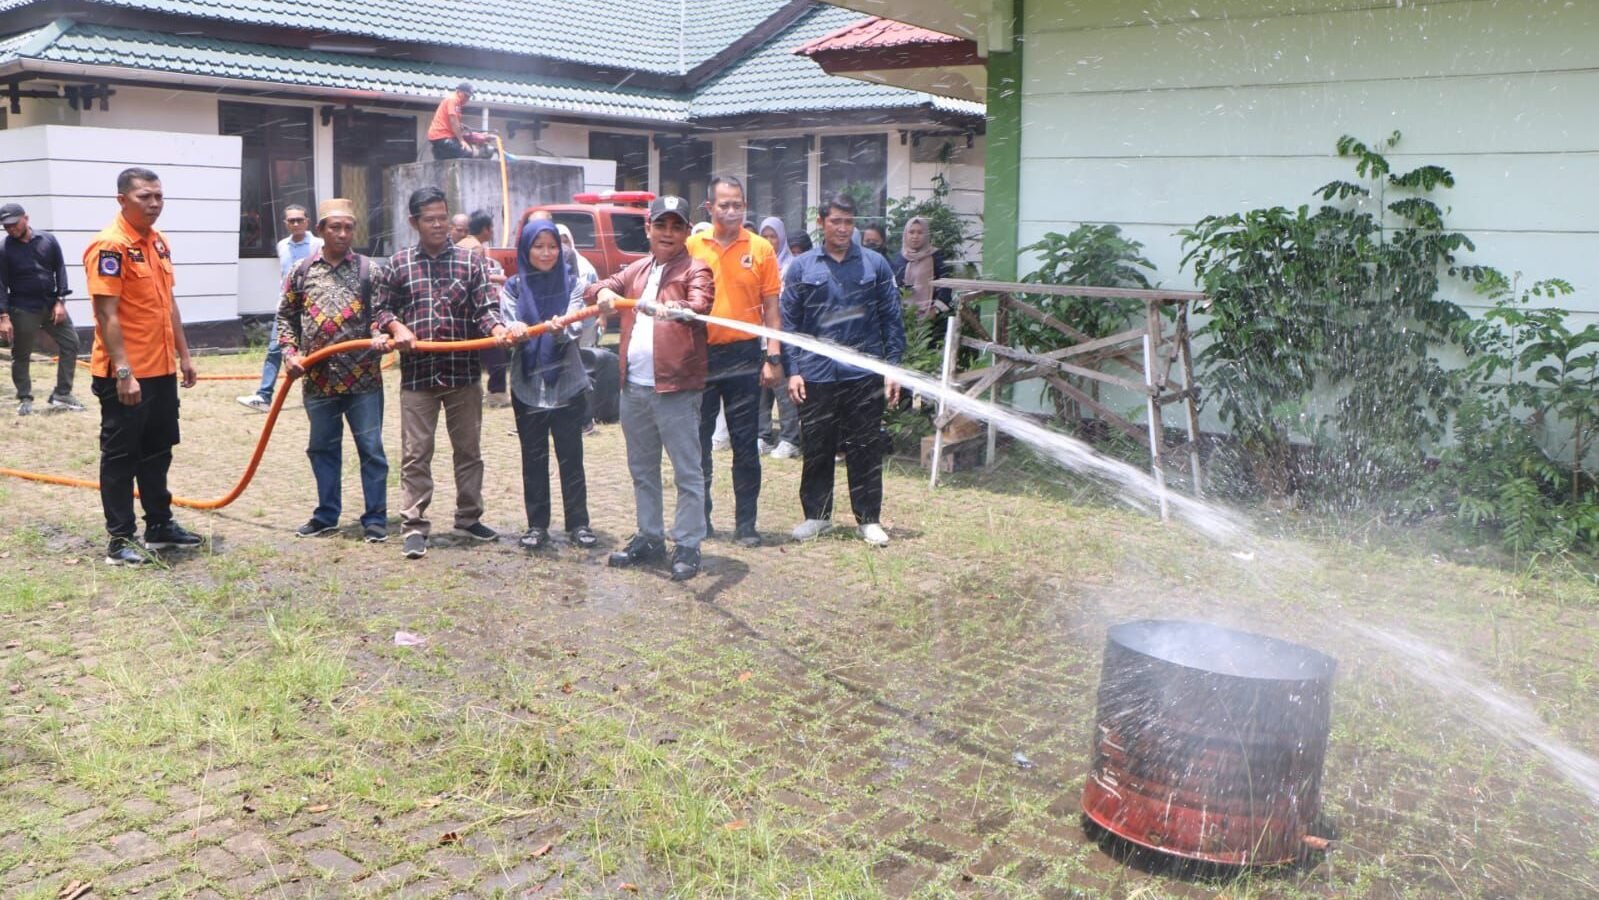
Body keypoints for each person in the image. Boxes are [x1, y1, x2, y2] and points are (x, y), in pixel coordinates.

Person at [373, 185, 511, 560]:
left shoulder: (470, 263)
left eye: (443, 218)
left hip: (462, 375)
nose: (438, 225)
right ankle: (414, 526)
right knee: (416, 454)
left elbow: (485, 309)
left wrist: (496, 329)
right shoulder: (399, 264)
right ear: (413, 222)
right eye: (430, 219)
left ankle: (469, 517)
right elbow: (382, 310)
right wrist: (396, 328)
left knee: (468, 450)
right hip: (417, 377)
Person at [586, 195, 713, 581]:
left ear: (687, 232)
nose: (668, 233)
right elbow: (598, 288)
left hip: (676, 389)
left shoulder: (697, 268)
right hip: (634, 390)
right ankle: (650, 537)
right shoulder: (637, 270)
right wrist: (603, 293)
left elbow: (700, 304)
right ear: (648, 229)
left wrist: (672, 309)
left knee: (687, 473)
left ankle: (688, 545)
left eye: (676, 226)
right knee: (642, 470)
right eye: (661, 225)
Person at [84, 167, 203, 565]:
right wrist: (123, 372)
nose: (154, 204)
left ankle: (159, 526)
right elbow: (107, 315)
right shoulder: (109, 246)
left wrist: (184, 356)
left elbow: (168, 304)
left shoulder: (158, 243)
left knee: (158, 450)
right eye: (144, 197)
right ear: (122, 200)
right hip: (125, 375)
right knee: (121, 456)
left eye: (158, 196)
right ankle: (120, 540)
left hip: (160, 371)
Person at [781, 193, 906, 547]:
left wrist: (892, 367)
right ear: (821, 223)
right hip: (816, 373)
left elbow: (891, 319)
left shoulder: (875, 265)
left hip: (863, 372)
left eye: (848, 222)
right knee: (817, 445)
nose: (842, 228)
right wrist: (793, 369)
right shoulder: (802, 267)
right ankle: (816, 516)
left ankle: (868, 519)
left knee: (865, 446)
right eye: (835, 221)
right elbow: (790, 324)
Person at [276, 198, 390, 543]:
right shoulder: (303, 271)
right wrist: (290, 353)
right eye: (335, 227)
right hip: (318, 381)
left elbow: (381, 314)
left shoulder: (371, 271)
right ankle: (326, 515)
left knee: (371, 449)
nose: (342, 234)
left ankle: (375, 519)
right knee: (322, 449)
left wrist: (379, 335)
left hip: (364, 380)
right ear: (320, 230)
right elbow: (286, 317)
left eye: (348, 227)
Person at [685, 177, 783, 546]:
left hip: (744, 357)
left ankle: (746, 525)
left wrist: (772, 356)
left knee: (745, 444)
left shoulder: (760, 249)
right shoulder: (692, 246)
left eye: (738, 204)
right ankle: (701, 521)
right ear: (709, 208)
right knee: (698, 444)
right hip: (701, 355)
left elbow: (773, 310)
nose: (732, 211)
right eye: (724, 204)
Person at [500, 219, 596, 551]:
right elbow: (509, 322)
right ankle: (537, 525)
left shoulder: (572, 283)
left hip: (567, 383)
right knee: (534, 458)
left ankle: (579, 524)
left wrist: (557, 328)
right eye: (538, 246)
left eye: (552, 246)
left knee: (572, 457)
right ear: (526, 250)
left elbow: (574, 327)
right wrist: (514, 328)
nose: (546, 252)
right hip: (528, 385)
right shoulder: (513, 286)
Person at [0, 203, 83, 415]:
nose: (10, 229)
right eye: (6, 226)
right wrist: (4, 316)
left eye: (14, 224)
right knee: (22, 353)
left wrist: (60, 301)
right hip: (23, 307)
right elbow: (1, 284)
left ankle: (62, 393)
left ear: (25, 218)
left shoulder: (48, 240)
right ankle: (25, 397)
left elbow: (60, 269)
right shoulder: (4, 248)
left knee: (71, 342)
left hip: (50, 304)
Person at [238, 204, 321, 411]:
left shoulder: (318, 244)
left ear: (307, 221)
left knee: (317, 351)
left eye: (299, 220)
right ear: (285, 224)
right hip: (286, 307)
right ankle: (263, 396)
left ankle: (319, 394)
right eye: (291, 221)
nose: (295, 224)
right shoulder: (282, 245)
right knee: (275, 350)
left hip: (313, 308)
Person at [756, 216, 800, 459]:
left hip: (781, 336)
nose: (769, 241)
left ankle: (790, 438)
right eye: (765, 236)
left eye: (773, 236)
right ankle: (763, 435)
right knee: (760, 389)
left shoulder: (791, 265)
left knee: (783, 392)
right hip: (758, 335)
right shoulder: (757, 263)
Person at [457, 209, 511, 406]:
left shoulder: (460, 244)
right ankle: (496, 394)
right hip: (477, 309)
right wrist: (500, 278)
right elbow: (479, 278)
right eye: (492, 228)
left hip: (461, 310)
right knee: (496, 351)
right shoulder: (476, 248)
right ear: (486, 229)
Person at [890, 216, 952, 318]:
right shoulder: (899, 258)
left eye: (920, 232)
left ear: (926, 235)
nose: (915, 236)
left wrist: (935, 310)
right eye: (912, 232)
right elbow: (893, 286)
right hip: (904, 317)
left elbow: (946, 284)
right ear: (906, 234)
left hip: (932, 318)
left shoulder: (935, 256)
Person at [428, 82, 489, 161]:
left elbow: (452, 120)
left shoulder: (456, 102)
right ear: (458, 91)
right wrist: (461, 141)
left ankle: (440, 154)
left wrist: (460, 125)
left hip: (442, 136)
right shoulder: (453, 100)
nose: (467, 99)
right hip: (441, 136)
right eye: (465, 95)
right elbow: (453, 121)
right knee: (467, 152)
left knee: (466, 148)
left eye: (469, 97)